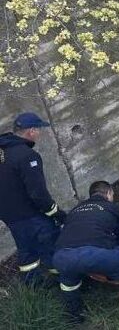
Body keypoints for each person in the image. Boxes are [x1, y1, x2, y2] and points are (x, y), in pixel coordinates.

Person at [53, 180, 119, 323]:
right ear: (108, 193)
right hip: (92, 254)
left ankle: (74, 315)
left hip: (61, 256)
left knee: (68, 280)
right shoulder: (112, 208)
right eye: (112, 195)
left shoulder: (74, 211)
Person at [0, 112, 67, 286]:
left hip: (9, 214)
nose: (39, 133)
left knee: (26, 249)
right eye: (38, 129)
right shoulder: (27, 156)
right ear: (31, 131)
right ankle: (66, 280)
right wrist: (56, 212)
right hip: (30, 214)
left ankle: (33, 285)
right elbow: (38, 193)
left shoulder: (3, 152)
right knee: (51, 242)